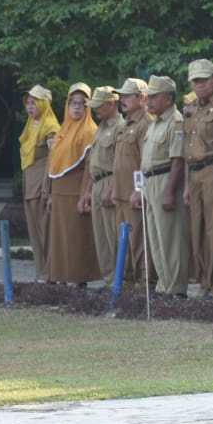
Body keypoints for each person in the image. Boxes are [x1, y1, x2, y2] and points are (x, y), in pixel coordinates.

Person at [182, 59, 213, 296]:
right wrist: (185, 185)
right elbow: (186, 147)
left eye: (204, 80)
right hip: (194, 172)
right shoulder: (190, 107)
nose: (200, 85)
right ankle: (204, 281)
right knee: (197, 230)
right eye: (195, 80)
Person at [135, 76, 189, 295]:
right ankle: (164, 285)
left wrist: (169, 192)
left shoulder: (175, 121)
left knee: (171, 239)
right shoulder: (155, 123)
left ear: (168, 98)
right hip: (150, 182)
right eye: (148, 96)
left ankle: (176, 289)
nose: (149, 101)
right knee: (156, 238)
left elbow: (177, 160)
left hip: (166, 180)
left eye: (155, 96)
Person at [46, 83, 98, 284]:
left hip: (75, 193)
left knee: (76, 238)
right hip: (59, 193)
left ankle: (79, 279)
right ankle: (60, 277)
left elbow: (89, 167)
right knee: (60, 239)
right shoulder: (63, 129)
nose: (77, 107)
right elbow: (55, 165)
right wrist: (51, 194)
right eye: (73, 103)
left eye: (82, 103)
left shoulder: (89, 131)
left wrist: (85, 194)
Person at [110, 79, 153, 288]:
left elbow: (145, 162)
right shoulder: (125, 123)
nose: (123, 100)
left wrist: (139, 190)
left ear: (142, 98)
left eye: (128, 96)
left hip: (134, 195)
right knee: (124, 242)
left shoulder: (145, 123)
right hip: (121, 193)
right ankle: (125, 282)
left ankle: (144, 283)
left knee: (139, 242)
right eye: (122, 96)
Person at [82, 86, 125, 284]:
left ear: (111, 104)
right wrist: (87, 192)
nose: (96, 110)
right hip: (97, 182)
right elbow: (94, 162)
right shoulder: (102, 128)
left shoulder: (120, 127)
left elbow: (119, 163)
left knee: (112, 235)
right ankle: (109, 281)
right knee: (101, 238)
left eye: (99, 106)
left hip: (110, 181)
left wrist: (113, 189)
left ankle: (119, 281)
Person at [20, 85, 59, 282]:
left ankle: (50, 273)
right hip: (29, 186)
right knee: (35, 234)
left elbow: (53, 160)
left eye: (34, 102)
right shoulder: (31, 124)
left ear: (44, 104)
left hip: (41, 188)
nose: (30, 106)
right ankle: (41, 272)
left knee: (46, 232)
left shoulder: (50, 126)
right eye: (28, 102)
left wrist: (47, 189)